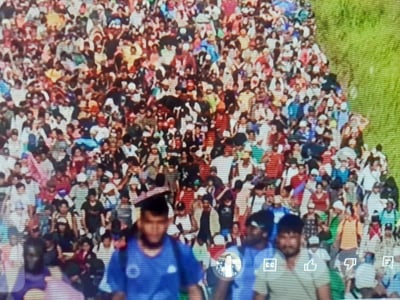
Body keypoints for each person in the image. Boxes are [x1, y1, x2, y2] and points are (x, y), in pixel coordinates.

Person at [107, 194, 204, 299]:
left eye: (160, 222)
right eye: (149, 222)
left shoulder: (182, 253)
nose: (155, 228)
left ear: (167, 224)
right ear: (141, 223)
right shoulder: (122, 257)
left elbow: (193, 290)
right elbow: (118, 295)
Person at [253, 214, 331, 300]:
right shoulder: (268, 266)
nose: (287, 243)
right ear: (277, 238)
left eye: (292, 237)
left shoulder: (316, 265)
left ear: (301, 238)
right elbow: (259, 297)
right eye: (283, 237)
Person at [213, 210, 274, 300]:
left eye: (253, 228)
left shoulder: (275, 256)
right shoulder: (233, 254)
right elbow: (220, 292)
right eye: (247, 226)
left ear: (265, 233)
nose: (247, 231)